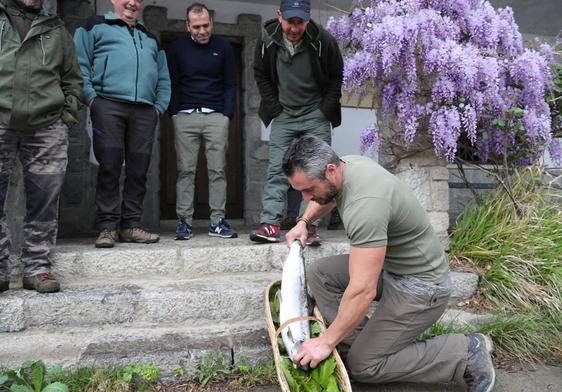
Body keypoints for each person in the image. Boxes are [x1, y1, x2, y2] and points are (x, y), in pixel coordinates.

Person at [284, 135, 496, 392]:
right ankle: (360, 344)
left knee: (364, 367)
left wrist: (326, 342)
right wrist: (303, 223)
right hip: (395, 269)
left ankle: (464, 352)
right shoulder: (348, 164)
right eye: (301, 191)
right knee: (321, 274)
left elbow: (363, 290)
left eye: (309, 189)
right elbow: (324, 198)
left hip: (421, 288)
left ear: (330, 170)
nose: (307, 198)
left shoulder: (366, 206)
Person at [0, 0, 83, 293]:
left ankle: (37, 268)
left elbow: (73, 78)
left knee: (45, 199)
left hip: (47, 125)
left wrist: (66, 115)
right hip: (1, 119)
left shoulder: (56, 28)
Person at [74, 0, 171, 248]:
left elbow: (163, 76)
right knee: (110, 166)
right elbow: (79, 64)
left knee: (139, 170)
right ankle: (107, 228)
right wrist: (92, 99)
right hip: (107, 105)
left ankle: (131, 225)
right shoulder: (94, 25)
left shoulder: (149, 37)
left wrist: (158, 108)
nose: (132, 3)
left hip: (145, 111)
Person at [250, 0, 343, 246]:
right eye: (289, 21)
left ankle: (308, 225)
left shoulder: (323, 40)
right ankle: (270, 223)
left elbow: (336, 77)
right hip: (284, 114)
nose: (294, 28)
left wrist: (325, 111)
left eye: (299, 22)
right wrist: (275, 107)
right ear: (279, 16)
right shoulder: (267, 40)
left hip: (315, 113)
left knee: (318, 171)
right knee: (277, 169)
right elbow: (260, 74)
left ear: (308, 19)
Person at [167, 2, 237, 240]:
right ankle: (184, 221)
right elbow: (172, 83)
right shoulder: (177, 48)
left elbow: (230, 84)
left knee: (218, 170)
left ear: (211, 22)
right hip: (185, 117)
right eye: (196, 26)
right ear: (188, 25)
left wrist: (227, 115)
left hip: (216, 116)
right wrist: (174, 113)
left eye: (206, 25)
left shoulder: (224, 47)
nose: (202, 30)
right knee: (185, 171)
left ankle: (217, 221)